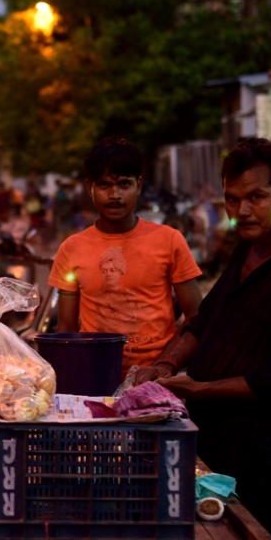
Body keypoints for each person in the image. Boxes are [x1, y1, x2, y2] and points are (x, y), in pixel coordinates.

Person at [135, 138, 271, 540]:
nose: (241, 211)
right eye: (232, 199)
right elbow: (205, 321)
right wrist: (165, 363)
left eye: (255, 197)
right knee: (215, 538)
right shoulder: (246, 247)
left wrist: (201, 389)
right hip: (209, 436)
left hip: (264, 446)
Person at [48, 136, 203, 373]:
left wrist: (164, 365)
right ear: (90, 187)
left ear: (139, 185)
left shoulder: (169, 240)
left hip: (159, 378)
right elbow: (67, 327)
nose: (114, 195)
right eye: (104, 185)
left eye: (124, 184)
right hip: (95, 376)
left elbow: (195, 317)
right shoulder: (71, 248)